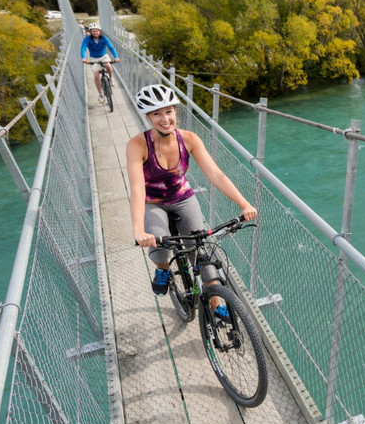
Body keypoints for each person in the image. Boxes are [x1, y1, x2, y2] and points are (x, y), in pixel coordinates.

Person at [127, 83, 257, 313]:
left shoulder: (189, 139)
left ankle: (217, 301)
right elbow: (137, 188)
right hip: (153, 202)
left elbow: (216, 174)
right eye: (157, 113)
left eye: (169, 111)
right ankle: (163, 268)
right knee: (160, 244)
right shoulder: (137, 145)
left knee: (201, 249)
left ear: (176, 112)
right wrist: (139, 230)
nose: (164, 118)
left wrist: (243, 203)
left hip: (182, 197)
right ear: (148, 117)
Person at [81, 22, 120, 104]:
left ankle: (111, 78)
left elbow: (111, 47)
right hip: (93, 58)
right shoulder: (87, 39)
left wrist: (116, 57)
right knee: (96, 75)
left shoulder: (104, 38)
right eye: (93, 31)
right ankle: (100, 94)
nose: (95, 33)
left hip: (103, 56)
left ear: (100, 31)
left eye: (97, 31)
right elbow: (83, 48)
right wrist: (83, 58)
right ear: (91, 32)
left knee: (108, 65)